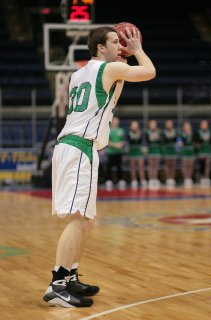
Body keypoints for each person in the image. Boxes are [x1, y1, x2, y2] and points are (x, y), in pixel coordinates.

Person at [43, 26, 156, 307]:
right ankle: (57, 285)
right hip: (80, 147)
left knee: (87, 219)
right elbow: (150, 72)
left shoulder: (80, 74)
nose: (121, 45)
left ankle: (69, 276)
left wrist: (122, 61)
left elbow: (111, 97)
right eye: (115, 42)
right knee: (80, 218)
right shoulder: (107, 70)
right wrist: (138, 50)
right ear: (100, 48)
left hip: (76, 146)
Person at [105, 117, 126, 191]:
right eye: (115, 120)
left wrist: (121, 144)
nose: (116, 122)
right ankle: (109, 181)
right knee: (109, 167)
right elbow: (106, 141)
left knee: (119, 167)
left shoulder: (121, 130)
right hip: (110, 152)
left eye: (117, 120)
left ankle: (120, 181)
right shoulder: (108, 130)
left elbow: (124, 141)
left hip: (119, 152)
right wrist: (115, 145)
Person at [127, 120, 147, 189]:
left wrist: (138, 134)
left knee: (141, 166)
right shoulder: (129, 133)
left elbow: (140, 141)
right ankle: (134, 180)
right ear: (131, 126)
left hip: (139, 152)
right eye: (133, 125)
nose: (134, 126)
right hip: (132, 151)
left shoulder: (141, 133)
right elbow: (131, 141)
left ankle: (142, 180)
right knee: (132, 167)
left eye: (135, 125)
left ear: (138, 126)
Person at [195, 119, 211, 187]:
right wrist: (197, 146)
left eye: (205, 124)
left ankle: (207, 177)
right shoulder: (198, 132)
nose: (204, 125)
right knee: (202, 165)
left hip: (208, 150)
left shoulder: (210, 132)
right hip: (201, 151)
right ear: (200, 125)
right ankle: (202, 178)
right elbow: (196, 142)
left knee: (208, 164)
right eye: (203, 124)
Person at [146, 119, 162, 189]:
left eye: (154, 124)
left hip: (157, 150)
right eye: (151, 124)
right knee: (151, 166)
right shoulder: (147, 132)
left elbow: (161, 140)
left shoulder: (159, 131)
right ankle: (150, 179)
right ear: (149, 125)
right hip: (151, 150)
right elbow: (148, 140)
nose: (153, 125)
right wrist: (154, 138)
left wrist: (156, 138)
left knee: (156, 166)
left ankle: (155, 179)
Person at [162, 119, 178, 188]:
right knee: (167, 165)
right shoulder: (163, 132)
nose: (169, 125)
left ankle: (172, 178)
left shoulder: (175, 132)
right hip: (167, 150)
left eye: (170, 123)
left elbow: (178, 141)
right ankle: (168, 178)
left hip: (173, 150)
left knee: (173, 165)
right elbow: (162, 141)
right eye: (168, 124)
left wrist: (178, 148)